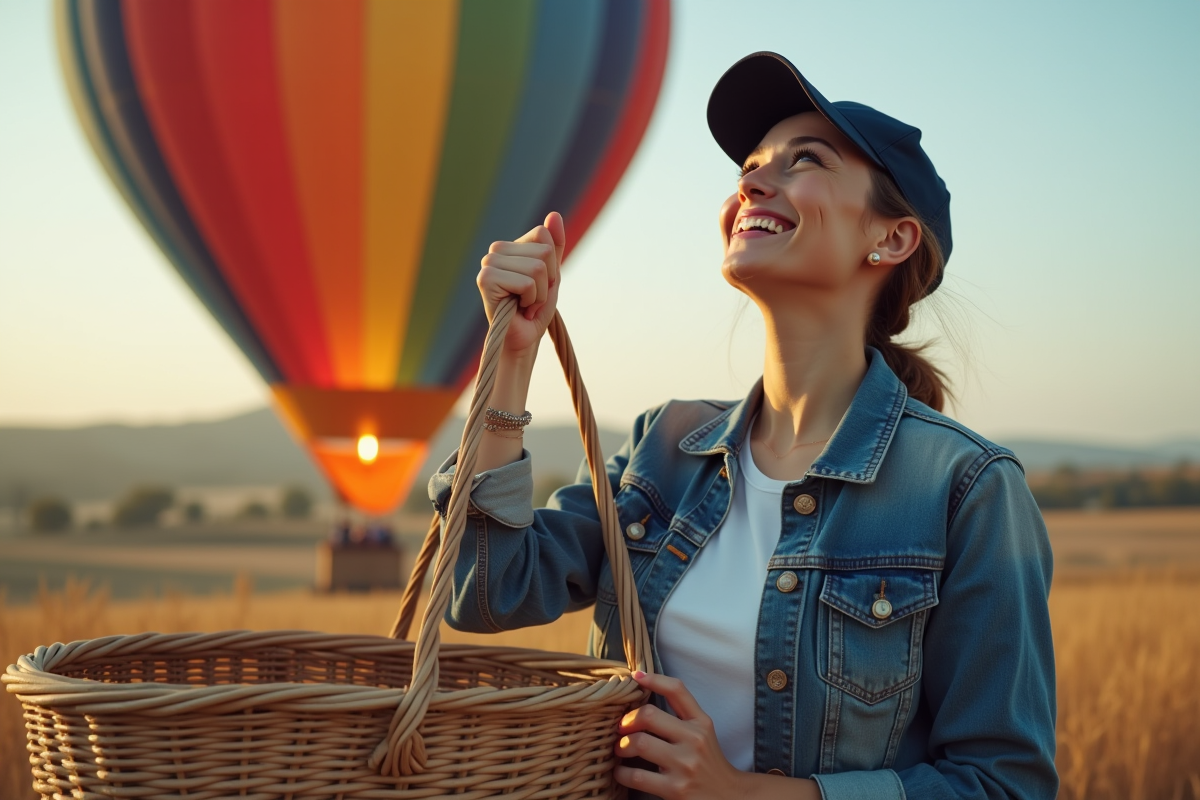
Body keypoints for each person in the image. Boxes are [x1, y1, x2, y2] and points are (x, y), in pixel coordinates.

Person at [428, 52, 1056, 800]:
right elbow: (485, 590)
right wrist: (512, 359)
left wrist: (743, 792)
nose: (752, 184)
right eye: (750, 168)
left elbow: (1002, 783)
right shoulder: (664, 447)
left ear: (891, 239)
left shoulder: (966, 489)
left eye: (804, 161)